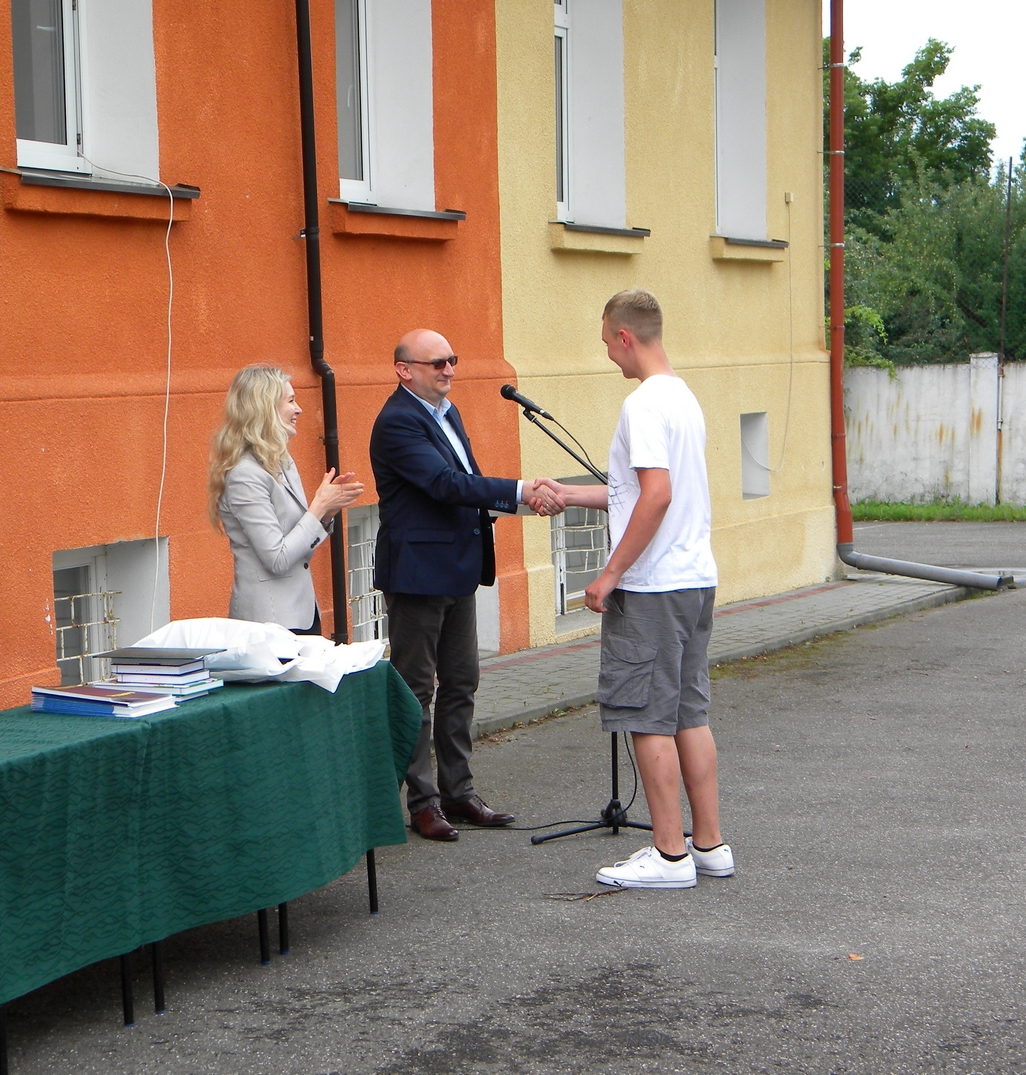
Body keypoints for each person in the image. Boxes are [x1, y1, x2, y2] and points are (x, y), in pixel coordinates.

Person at [536, 289, 730, 888]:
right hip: (693, 580)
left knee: (647, 718)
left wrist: (610, 574)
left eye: (607, 343)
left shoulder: (642, 404)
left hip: (651, 589)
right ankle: (709, 845)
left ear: (625, 336)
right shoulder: (682, 397)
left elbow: (657, 496)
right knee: (689, 713)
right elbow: (637, 490)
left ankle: (668, 855)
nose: (608, 356)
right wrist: (569, 494)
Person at [370, 329, 564, 841]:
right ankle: (423, 803)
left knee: (462, 681)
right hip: (417, 575)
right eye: (436, 363)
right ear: (404, 370)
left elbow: (469, 480)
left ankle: (458, 791)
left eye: (452, 360)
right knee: (416, 691)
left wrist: (521, 502)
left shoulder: (447, 413)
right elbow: (443, 485)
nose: (449, 370)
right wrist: (521, 489)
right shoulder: (397, 421)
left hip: (458, 567)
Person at [208, 364, 364, 634]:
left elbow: (301, 551)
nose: (298, 409)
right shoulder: (244, 474)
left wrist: (327, 512)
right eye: (290, 401)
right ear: (265, 408)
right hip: (269, 623)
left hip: (302, 614)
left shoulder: (282, 461)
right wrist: (318, 507)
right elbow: (277, 559)